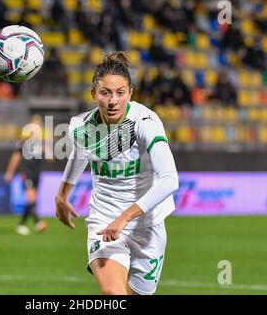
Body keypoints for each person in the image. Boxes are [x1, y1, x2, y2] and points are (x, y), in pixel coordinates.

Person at [55, 52, 179, 295]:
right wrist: (61, 195)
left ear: (130, 93)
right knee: (113, 294)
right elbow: (81, 153)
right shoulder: (81, 126)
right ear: (93, 94)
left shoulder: (146, 121)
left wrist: (125, 217)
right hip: (104, 221)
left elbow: (169, 180)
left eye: (120, 93)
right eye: (105, 93)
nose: (113, 101)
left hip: (147, 224)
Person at [4, 115, 49, 236]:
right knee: (31, 198)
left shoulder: (41, 144)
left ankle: (21, 225)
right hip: (26, 173)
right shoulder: (24, 143)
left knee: (31, 201)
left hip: (36, 174)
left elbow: (48, 158)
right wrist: (10, 172)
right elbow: (15, 157)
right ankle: (38, 222)